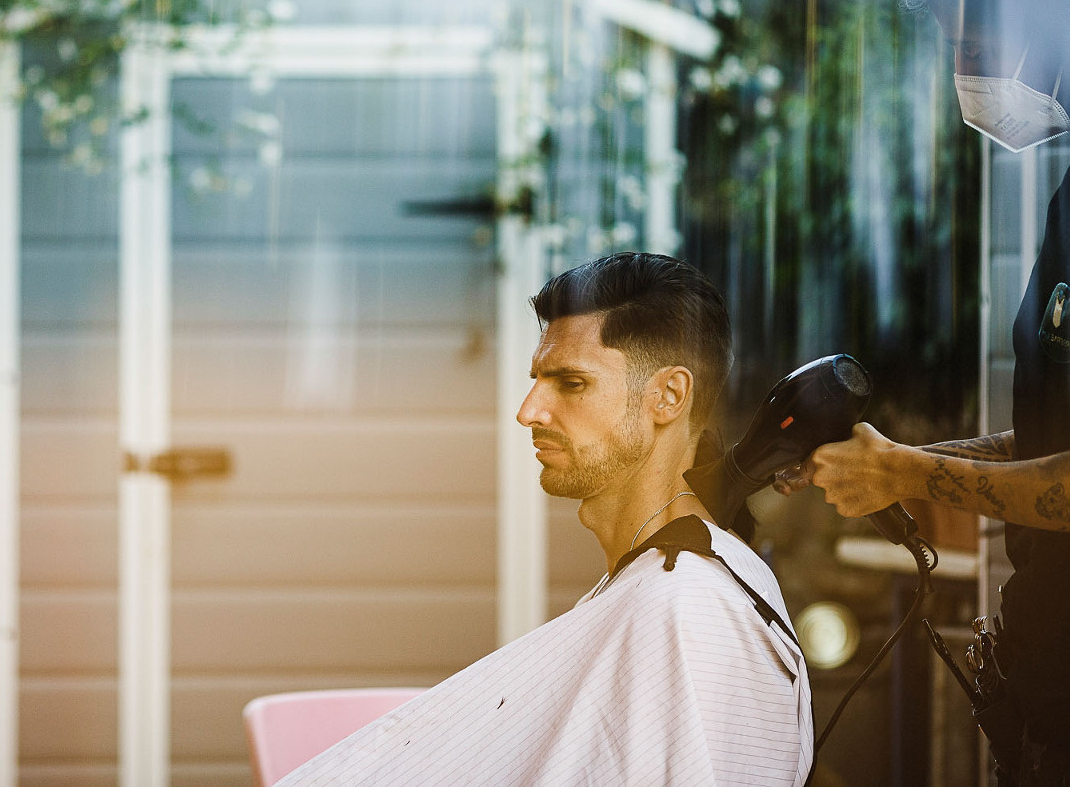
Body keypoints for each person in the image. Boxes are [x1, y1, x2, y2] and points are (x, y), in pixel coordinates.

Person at [277, 252, 812, 787]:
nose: (528, 410)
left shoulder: (685, 608)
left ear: (667, 397)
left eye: (571, 384)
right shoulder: (655, 584)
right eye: (537, 379)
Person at [782, 0, 1070, 783]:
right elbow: (1067, 437)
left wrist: (904, 473)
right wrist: (893, 463)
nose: (963, 70)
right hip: (1054, 718)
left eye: (974, 41)